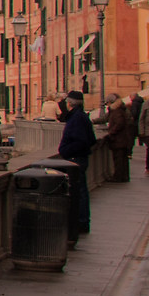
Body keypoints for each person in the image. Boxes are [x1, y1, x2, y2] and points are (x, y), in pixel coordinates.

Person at [56, 90, 97, 237]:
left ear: (70, 103)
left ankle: (80, 222)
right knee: (81, 191)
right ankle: (82, 221)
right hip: (79, 158)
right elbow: (91, 140)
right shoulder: (82, 117)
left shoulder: (77, 118)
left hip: (75, 159)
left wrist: (66, 150)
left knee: (78, 193)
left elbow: (82, 141)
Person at [103, 96, 135, 183]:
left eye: (108, 103)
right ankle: (124, 176)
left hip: (118, 139)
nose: (107, 106)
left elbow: (119, 124)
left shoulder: (116, 112)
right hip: (122, 139)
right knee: (123, 159)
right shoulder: (120, 109)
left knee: (119, 159)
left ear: (111, 103)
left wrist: (111, 132)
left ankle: (118, 177)